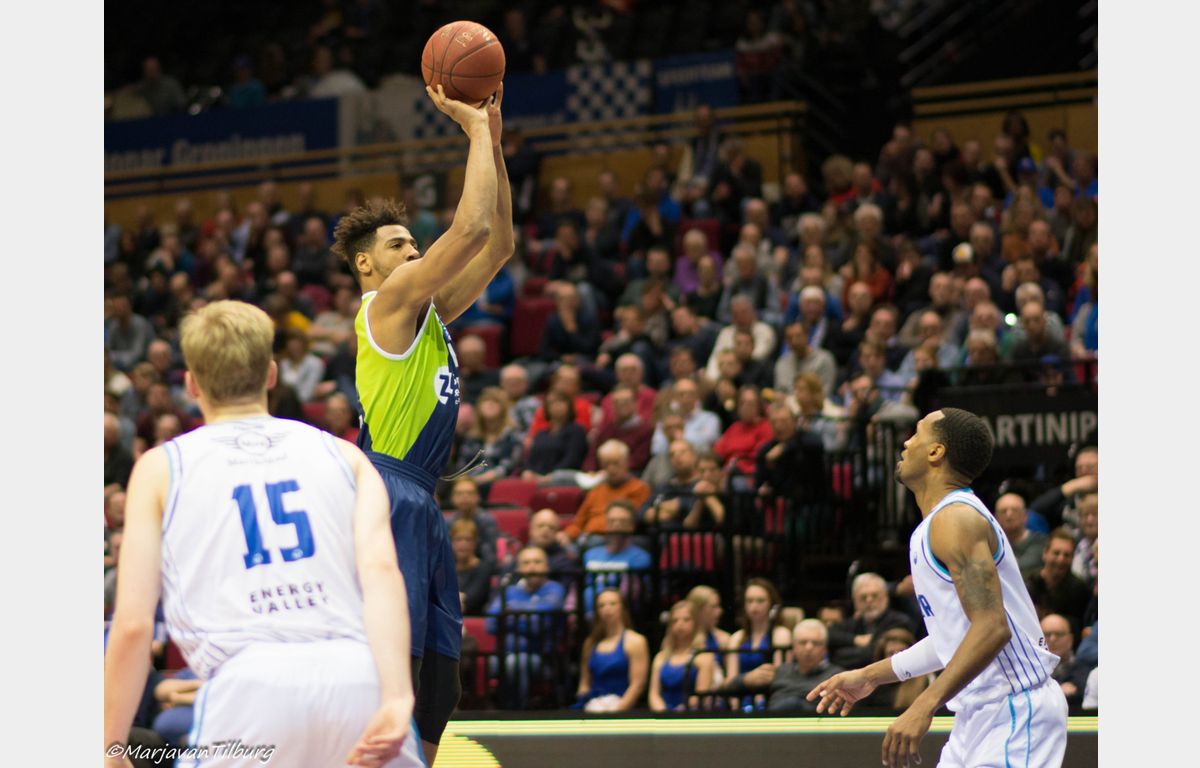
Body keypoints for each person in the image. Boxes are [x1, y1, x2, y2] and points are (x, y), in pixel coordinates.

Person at [103, 300, 421, 768]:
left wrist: (111, 744)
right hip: (359, 678)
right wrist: (397, 696)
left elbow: (133, 624)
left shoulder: (160, 467)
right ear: (271, 374)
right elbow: (383, 574)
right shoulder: (346, 456)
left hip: (248, 685)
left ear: (191, 384)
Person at [330, 83, 513, 763]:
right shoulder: (384, 304)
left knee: (440, 679)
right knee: (397, 664)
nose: (412, 251)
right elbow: (468, 232)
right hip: (389, 490)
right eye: (399, 243)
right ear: (366, 263)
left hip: (421, 495)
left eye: (413, 243)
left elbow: (498, 244)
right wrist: (472, 131)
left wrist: (493, 137)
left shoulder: (424, 311)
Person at [808, 408, 1067, 768]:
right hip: (976, 714)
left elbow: (992, 628)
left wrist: (924, 703)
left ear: (936, 452)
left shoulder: (956, 519)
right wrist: (870, 676)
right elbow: (953, 639)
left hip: (1016, 708)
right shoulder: (936, 526)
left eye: (916, 433)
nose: (906, 443)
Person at [719, 619, 843, 712]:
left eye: (815, 643)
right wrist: (747, 679)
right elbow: (725, 688)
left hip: (815, 730)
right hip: (775, 729)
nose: (809, 648)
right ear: (793, 648)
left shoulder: (836, 676)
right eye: (803, 642)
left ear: (825, 649)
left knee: (793, 704)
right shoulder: (780, 671)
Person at [575, 588, 650, 712]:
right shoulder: (590, 643)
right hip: (593, 707)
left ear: (622, 608)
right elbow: (584, 682)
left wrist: (615, 713)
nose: (607, 609)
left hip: (621, 709)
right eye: (601, 605)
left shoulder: (635, 641)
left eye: (612, 604)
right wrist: (584, 703)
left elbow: (637, 685)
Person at [827, 573, 917, 670]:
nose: (869, 600)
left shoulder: (899, 621)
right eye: (863, 597)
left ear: (886, 597)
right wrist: (855, 639)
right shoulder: (853, 623)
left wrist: (842, 652)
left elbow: (873, 655)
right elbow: (828, 636)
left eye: (874, 595)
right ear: (855, 601)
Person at [650, 600, 716, 712]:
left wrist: (679, 713)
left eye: (686, 620)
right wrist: (664, 712)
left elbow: (701, 694)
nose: (680, 624)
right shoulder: (660, 657)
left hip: (691, 715)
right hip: (664, 714)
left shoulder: (704, 657)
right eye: (675, 620)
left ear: (695, 623)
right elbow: (654, 694)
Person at [724, 578, 792, 684]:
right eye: (749, 601)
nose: (754, 606)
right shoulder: (736, 638)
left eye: (760, 601)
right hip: (741, 692)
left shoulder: (781, 634)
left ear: (771, 604)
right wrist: (747, 679)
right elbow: (729, 682)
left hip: (771, 692)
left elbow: (781, 677)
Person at [993, 491, 1048, 574]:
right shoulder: (991, 545)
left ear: (1025, 516)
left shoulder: (1040, 541)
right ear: (996, 518)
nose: (1009, 515)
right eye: (1003, 511)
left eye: (1015, 510)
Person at [451, 519, 493, 616]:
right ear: (452, 542)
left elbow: (472, 598)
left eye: (468, 539)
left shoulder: (483, 568)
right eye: (458, 539)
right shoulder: (446, 569)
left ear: (475, 543)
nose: (463, 544)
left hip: (474, 617)